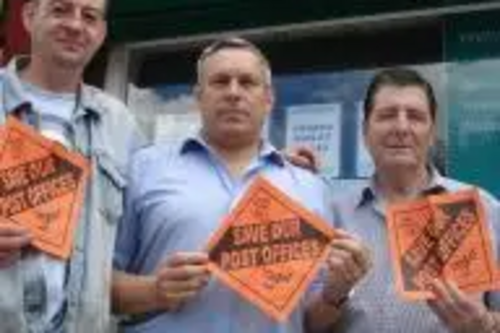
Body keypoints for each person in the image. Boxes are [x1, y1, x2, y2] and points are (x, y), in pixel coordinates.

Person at [112, 37, 371, 333]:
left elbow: (309, 321)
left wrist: (336, 292)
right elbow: (93, 284)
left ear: (269, 99)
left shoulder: (310, 188)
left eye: (247, 82)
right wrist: (153, 291)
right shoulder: (144, 169)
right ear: (199, 96)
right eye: (220, 82)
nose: (233, 93)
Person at [0, 0, 141, 332]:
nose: (75, 25)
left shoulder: (119, 122)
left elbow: (168, 198)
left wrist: (283, 165)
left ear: (102, 31)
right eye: (61, 10)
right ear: (29, 16)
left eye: (89, 16)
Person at [329, 67, 500, 332]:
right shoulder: (333, 215)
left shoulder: (484, 210)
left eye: (416, 117)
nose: (401, 127)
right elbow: (303, 322)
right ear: (365, 131)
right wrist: (334, 293)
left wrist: (484, 325)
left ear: (432, 133)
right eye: (386, 116)